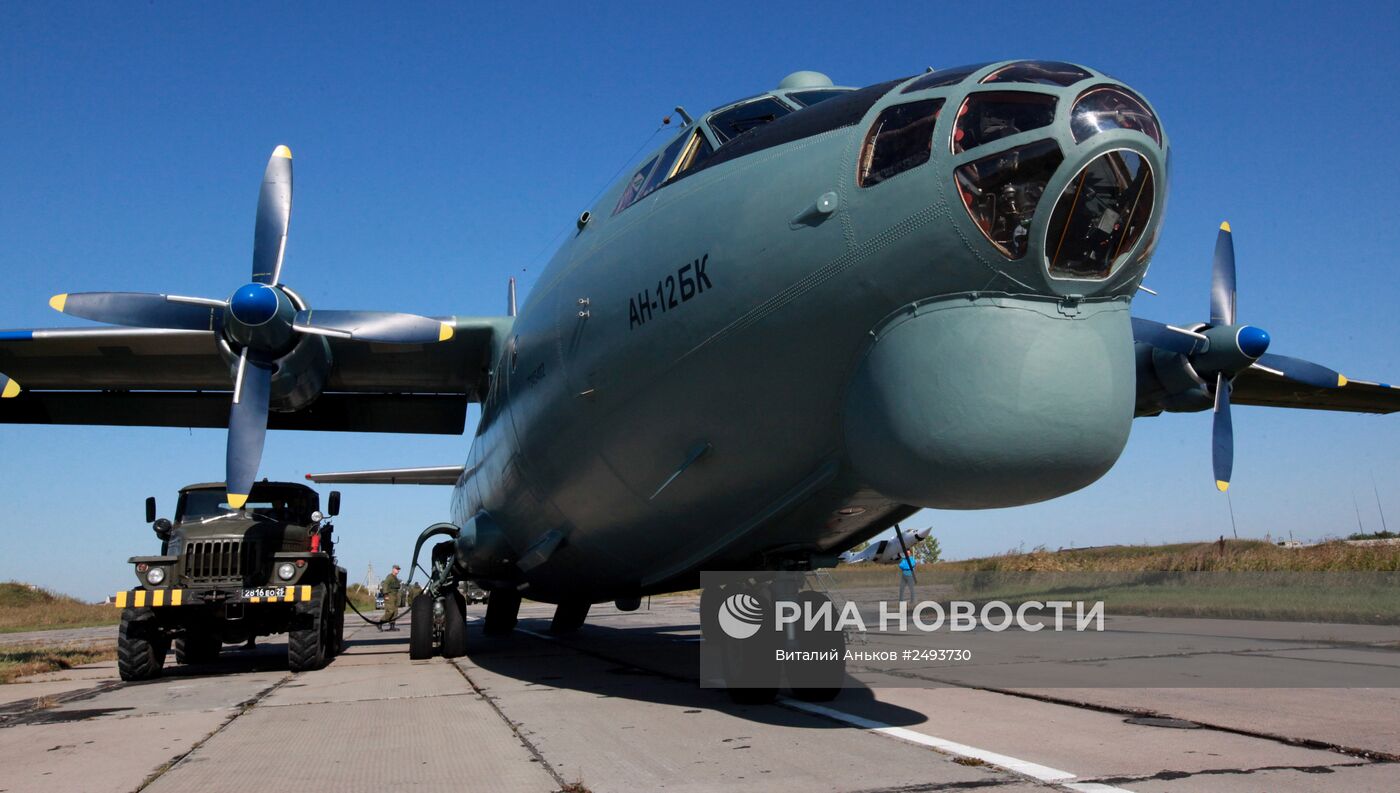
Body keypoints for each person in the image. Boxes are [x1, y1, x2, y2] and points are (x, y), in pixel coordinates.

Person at [380, 565, 403, 631]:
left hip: (395, 596)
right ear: (393, 569)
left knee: (395, 612)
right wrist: (386, 594)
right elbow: (385, 585)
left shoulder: (395, 578)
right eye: (397, 569)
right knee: (390, 611)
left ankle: (392, 626)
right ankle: (380, 622)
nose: (398, 570)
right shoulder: (389, 577)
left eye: (398, 569)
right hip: (390, 596)